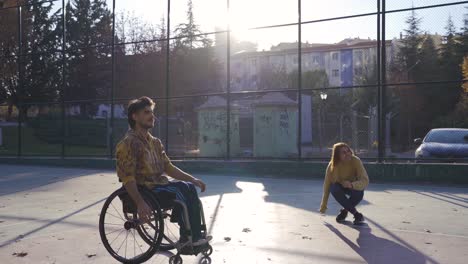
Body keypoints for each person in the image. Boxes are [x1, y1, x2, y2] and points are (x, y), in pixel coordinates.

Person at [116, 96, 212, 246]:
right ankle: (188, 237)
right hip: (144, 189)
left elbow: (168, 167)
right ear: (134, 116)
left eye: (152, 112)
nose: (152, 116)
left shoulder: (155, 142)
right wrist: (140, 203)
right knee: (181, 190)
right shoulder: (128, 143)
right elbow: (127, 178)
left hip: (157, 186)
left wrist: (192, 179)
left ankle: (196, 235)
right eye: (146, 112)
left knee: (189, 187)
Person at [319, 142, 369, 224]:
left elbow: (365, 180)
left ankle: (344, 211)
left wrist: (352, 185)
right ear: (337, 155)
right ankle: (356, 214)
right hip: (340, 187)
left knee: (359, 193)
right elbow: (327, 185)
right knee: (333, 188)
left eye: (348, 151)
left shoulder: (356, 161)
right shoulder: (331, 166)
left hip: (354, 187)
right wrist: (323, 205)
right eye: (343, 152)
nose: (348, 154)